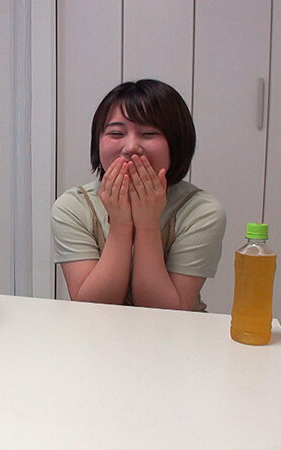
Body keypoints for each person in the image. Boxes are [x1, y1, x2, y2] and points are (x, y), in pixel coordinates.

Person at [51, 79, 225, 311]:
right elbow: (91, 307)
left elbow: (166, 311)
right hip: (96, 330)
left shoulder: (202, 212)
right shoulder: (73, 207)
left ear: (177, 142)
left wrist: (147, 225)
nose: (131, 146)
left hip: (175, 331)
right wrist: (121, 225)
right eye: (116, 133)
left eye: (149, 133)